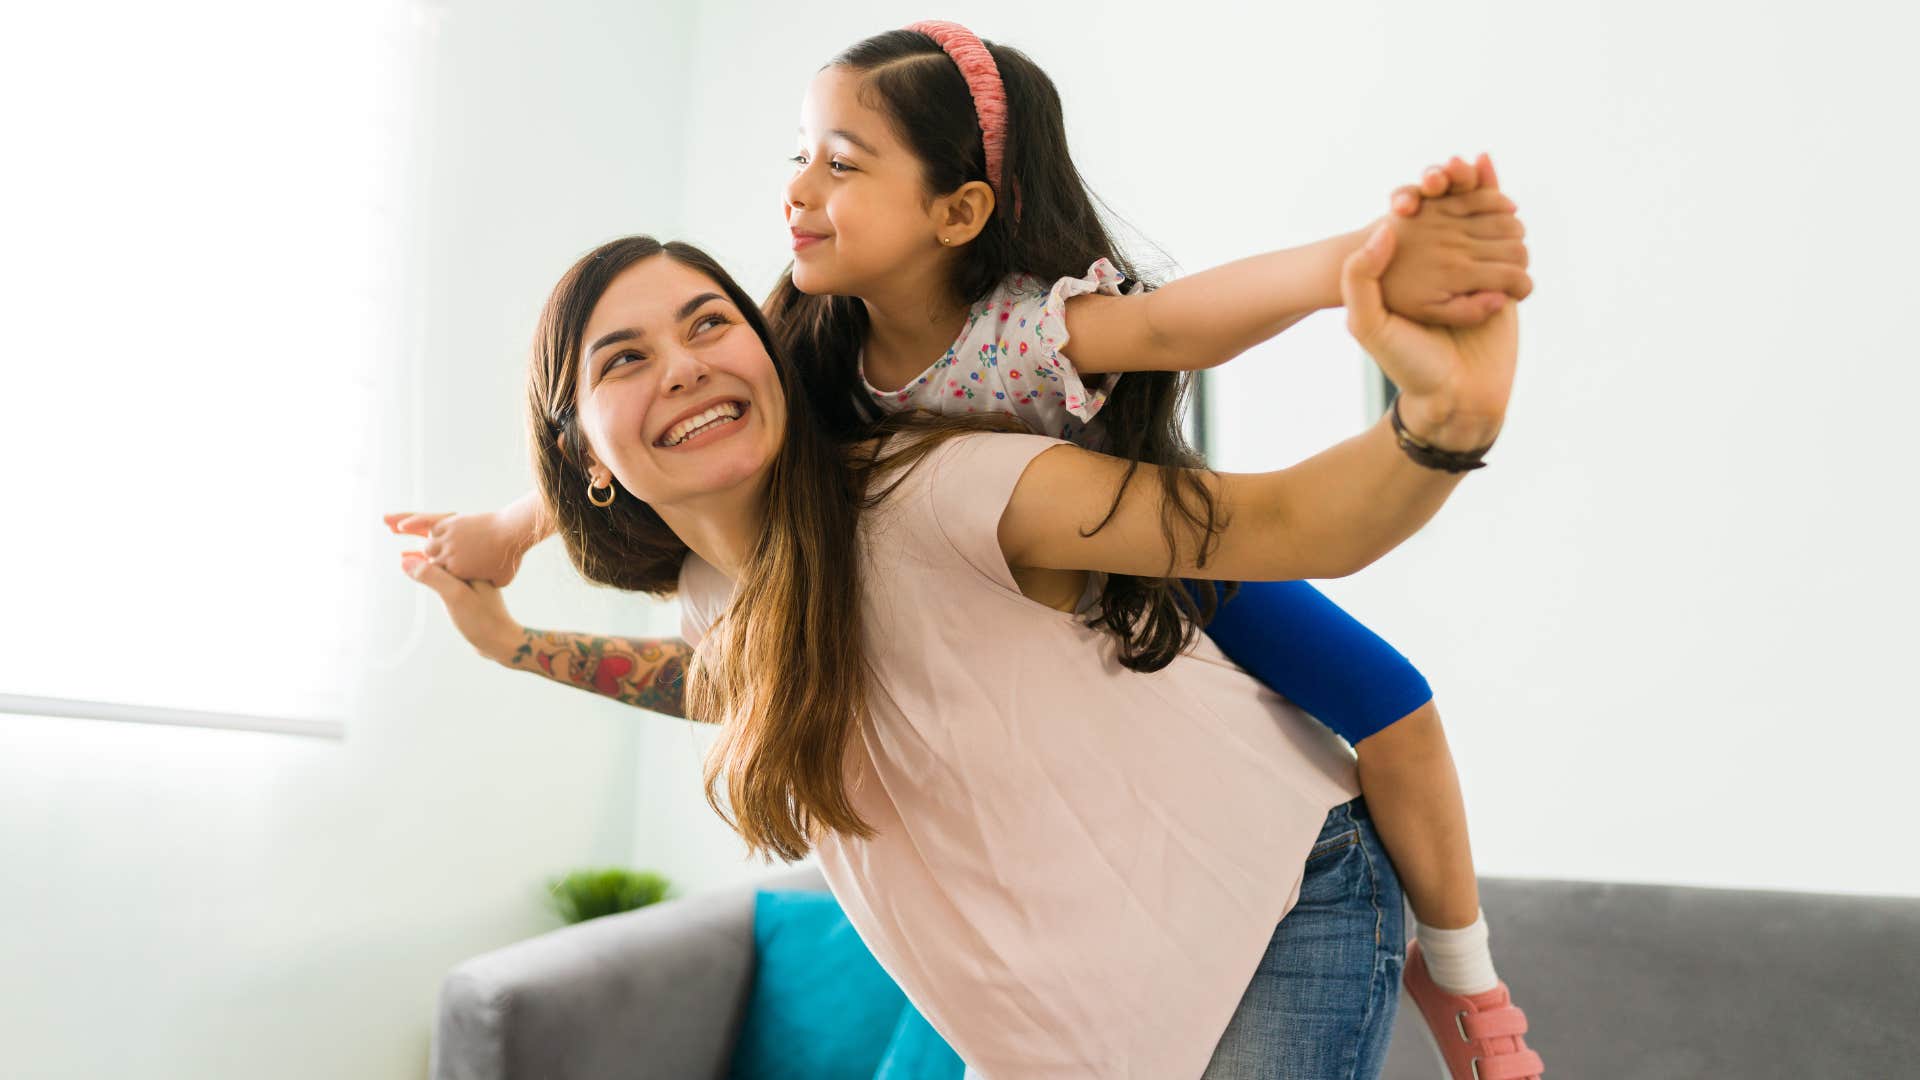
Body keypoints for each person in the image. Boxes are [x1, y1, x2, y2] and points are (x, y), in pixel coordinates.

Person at [387, 24, 1541, 1078]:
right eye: (622, 359)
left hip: (1268, 857)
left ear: (960, 210)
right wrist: (513, 614)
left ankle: (1464, 976)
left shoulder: (972, 423)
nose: (685, 364)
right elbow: (733, 678)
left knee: (1389, 705)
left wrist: (1392, 314)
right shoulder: (752, 494)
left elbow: (1227, 415)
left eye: (703, 325)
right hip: (1093, 980)